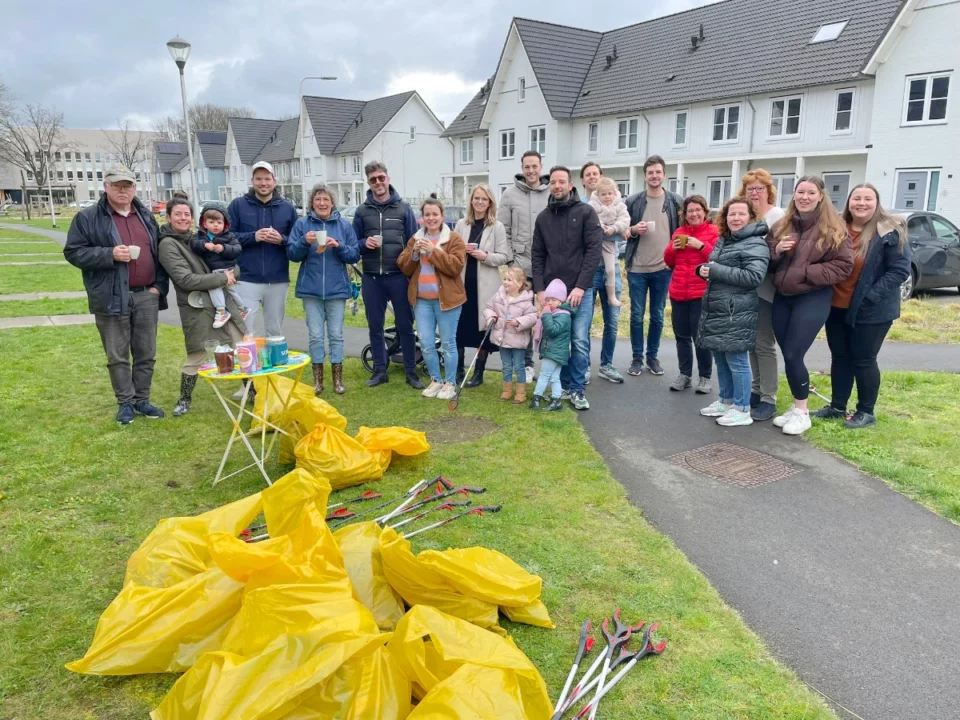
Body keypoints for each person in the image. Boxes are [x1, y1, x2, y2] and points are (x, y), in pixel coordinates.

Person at [64, 166, 168, 424]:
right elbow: (73, 252)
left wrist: (158, 288)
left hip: (146, 295)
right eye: (117, 185)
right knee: (117, 355)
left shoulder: (145, 215)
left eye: (128, 186)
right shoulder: (87, 218)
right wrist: (108, 254)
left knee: (146, 353)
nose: (123, 190)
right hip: (110, 296)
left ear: (134, 188)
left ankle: (141, 400)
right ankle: (125, 403)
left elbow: (159, 253)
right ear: (106, 187)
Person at [813, 184, 911, 429]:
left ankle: (866, 411)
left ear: (876, 203)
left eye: (868, 199)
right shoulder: (838, 228)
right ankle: (837, 407)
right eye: (857, 198)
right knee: (840, 356)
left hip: (872, 310)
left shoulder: (889, 230)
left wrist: (870, 297)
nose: (861, 203)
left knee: (864, 359)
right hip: (836, 306)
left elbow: (899, 271)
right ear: (849, 202)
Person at [768, 176, 854, 436]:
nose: (804, 197)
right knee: (788, 354)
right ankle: (796, 407)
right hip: (782, 297)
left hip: (813, 297)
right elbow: (765, 259)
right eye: (800, 192)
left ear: (820, 196)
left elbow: (843, 266)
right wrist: (776, 251)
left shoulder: (834, 227)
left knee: (794, 354)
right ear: (794, 195)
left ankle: (802, 412)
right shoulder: (782, 225)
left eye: (811, 192)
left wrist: (805, 273)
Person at [157, 197, 247, 417]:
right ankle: (184, 399)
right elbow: (185, 280)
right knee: (197, 354)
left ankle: (251, 391)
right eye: (178, 214)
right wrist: (223, 279)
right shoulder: (168, 244)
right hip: (197, 307)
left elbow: (230, 264)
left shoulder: (199, 237)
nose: (183, 218)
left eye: (187, 214)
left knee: (242, 346)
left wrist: (232, 274)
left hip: (222, 303)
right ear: (169, 217)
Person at [531, 166, 603, 411]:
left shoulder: (586, 212)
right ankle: (558, 386)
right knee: (555, 339)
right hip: (552, 294)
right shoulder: (543, 218)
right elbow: (537, 255)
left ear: (571, 185)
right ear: (550, 185)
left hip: (579, 290)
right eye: (553, 182)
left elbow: (594, 252)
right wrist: (540, 289)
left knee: (579, 340)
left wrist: (581, 286)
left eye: (562, 181)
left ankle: (577, 389)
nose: (557, 186)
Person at [695, 198, 770, 427]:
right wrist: (703, 270)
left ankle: (742, 408)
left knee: (737, 360)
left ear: (751, 217)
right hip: (717, 308)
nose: (736, 218)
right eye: (731, 214)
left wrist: (716, 270)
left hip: (736, 310)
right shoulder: (724, 240)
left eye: (741, 214)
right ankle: (726, 401)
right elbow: (717, 268)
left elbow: (754, 277)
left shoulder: (755, 243)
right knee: (721, 356)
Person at [353, 162, 423, 389]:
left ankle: (411, 372)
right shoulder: (361, 211)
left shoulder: (403, 208)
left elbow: (414, 242)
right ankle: (379, 370)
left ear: (388, 178)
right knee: (375, 326)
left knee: (405, 325)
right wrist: (365, 243)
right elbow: (353, 245)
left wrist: (411, 271)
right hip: (372, 277)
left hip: (398, 277)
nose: (378, 183)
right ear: (368, 182)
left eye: (381, 178)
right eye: (373, 179)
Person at [287, 184, 361, 396]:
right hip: (311, 289)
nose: (321, 203)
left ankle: (338, 380)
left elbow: (354, 255)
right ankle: (318, 381)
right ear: (312, 202)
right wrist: (304, 241)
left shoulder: (343, 226)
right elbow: (292, 254)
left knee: (336, 335)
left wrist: (338, 246)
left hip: (337, 289)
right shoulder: (302, 225)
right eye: (318, 199)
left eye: (325, 199)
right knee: (316, 336)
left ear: (332, 203)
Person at [397, 197, 466, 400]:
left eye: (435, 214)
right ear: (422, 218)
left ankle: (450, 383)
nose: (431, 218)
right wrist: (416, 254)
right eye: (427, 214)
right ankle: (435, 380)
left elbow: (455, 267)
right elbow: (403, 265)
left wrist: (433, 251)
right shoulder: (415, 239)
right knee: (426, 342)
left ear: (442, 216)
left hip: (448, 301)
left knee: (448, 343)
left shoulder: (453, 239)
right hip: (422, 301)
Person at [625, 155, 683, 377]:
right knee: (636, 315)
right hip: (637, 268)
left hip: (664, 268)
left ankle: (653, 357)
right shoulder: (633, 201)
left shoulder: (675, 201)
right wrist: (632, 230)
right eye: (650, 172)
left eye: (658, 172)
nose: (654, 176)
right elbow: (623, 230)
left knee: (658, 315)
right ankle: (637, 358)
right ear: (645, 176)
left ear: (664, 174)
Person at [227, 161, 298, 338]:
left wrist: (282, 239)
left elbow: (297, 242)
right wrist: (253, 237)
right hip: (246, 278)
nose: (263, 183)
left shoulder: (287, 208)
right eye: (258, 179)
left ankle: (273, 364)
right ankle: (246, 365)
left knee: (274, 331)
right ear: (252, 181)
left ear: (274, 181)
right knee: (244, 329)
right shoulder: (238, 205)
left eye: (267, 178)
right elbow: (227, 237)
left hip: (277, 279)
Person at [738, 169, 786, 421]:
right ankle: (755, 390)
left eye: (760, 188)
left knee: (764, 344)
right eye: (750, 189)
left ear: (769, 191)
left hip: (767, 289)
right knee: (751, 343)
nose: (755, 193)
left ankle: (769, 397)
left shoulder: (778, 217)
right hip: (745, 288)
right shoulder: (745, 215)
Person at [453, 184, 511, 387]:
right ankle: (458, 370)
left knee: (483, 332)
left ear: (490, 203)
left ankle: (478, 373)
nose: (479, 202)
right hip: (461, 285)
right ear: (471, 201)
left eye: (484, 199)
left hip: (485, 288)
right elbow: (452, 251)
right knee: (458, 329)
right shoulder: (461, 224)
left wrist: (484, 256)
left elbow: (504, 256)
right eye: (476, 198)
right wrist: (462, 252)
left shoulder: (497, 227)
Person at [498, 150, 550, 378]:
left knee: (549, 317)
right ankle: (527, 365)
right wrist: (510, 261)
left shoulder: (551, 193)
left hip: (548, 267)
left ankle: (550, 366)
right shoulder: (509, 195)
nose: (531, 171)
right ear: (522, 168)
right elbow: (503, 231)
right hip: (520, 266)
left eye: (534, 166)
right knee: (523, 318)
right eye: (527, 166)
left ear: (540, 167)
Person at [663, 195, 719, 392]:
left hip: (701, 293)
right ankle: (684, 374)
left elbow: (717, 258)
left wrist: (700, 245)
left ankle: (705, 377)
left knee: (700, 336)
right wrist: (672, 247)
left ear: (705, 212)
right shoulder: (679, 232)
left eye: (698, 210)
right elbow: (669, 260)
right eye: (690, 211)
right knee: (682, 336)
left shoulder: (714, 232)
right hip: (678, 291)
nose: (694, 214)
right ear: (684, 215)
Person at [581, 162, 625, 384]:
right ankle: (585, 366)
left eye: (595, 174)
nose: (591, 177)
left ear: (601, 177)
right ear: (583, 180)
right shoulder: (581, 205)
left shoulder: (615, 201)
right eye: (587, 175)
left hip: (611, 269)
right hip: (587, 270)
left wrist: (611, 231)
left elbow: (624, 233)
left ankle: (606, 364)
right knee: (585, 323)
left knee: (613, 321)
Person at [483, 266, 538, 404]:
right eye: (505, 279)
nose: (506, 282)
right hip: (502, 338)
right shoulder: (498, 296)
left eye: (510, 280)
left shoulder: (526, 300)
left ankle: (521, 393)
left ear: (519, 284)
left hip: (518, 340)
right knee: (506, 365)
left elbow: (532, 316)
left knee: (519, 365)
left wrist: (519, 321)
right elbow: (489, 308)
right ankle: (507, 391)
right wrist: (490, 317)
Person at [189, 201, 249, 329]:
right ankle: (242, 308)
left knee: (214, 286)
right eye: (211, 222)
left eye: (219, 223)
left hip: (225, 268)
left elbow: (237, 249)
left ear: (225, 224)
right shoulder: (201, 236)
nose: (216, 226)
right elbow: (194, 244)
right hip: (214, 268)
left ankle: (221, 311)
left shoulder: (228, 236)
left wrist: (223, 248)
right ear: (204, 224)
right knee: (231, 290)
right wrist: (205, 245)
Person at [530, 278, 572, 411]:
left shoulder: (563, 315)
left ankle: (536, 398)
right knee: (554, 377)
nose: (549, 303)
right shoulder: (556, 314)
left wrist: (546, 315)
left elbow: (552, 330)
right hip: (555, 351)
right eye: (547, 300)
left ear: (561, 301)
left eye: (553, 300)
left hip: (554, 352)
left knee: (544, 375)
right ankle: (556, 400)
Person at [588, 177, 629, 308]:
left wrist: (615, 228)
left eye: (609, 193)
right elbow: (590, 218)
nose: (607, 197)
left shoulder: (619, 205)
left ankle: (611, 296)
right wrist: (600, 225)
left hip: (608, 244)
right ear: (597, 194)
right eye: (603, 194)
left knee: (610, 270)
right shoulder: (592, 204)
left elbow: (625, 220)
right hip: (593, 243)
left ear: (614, 192)